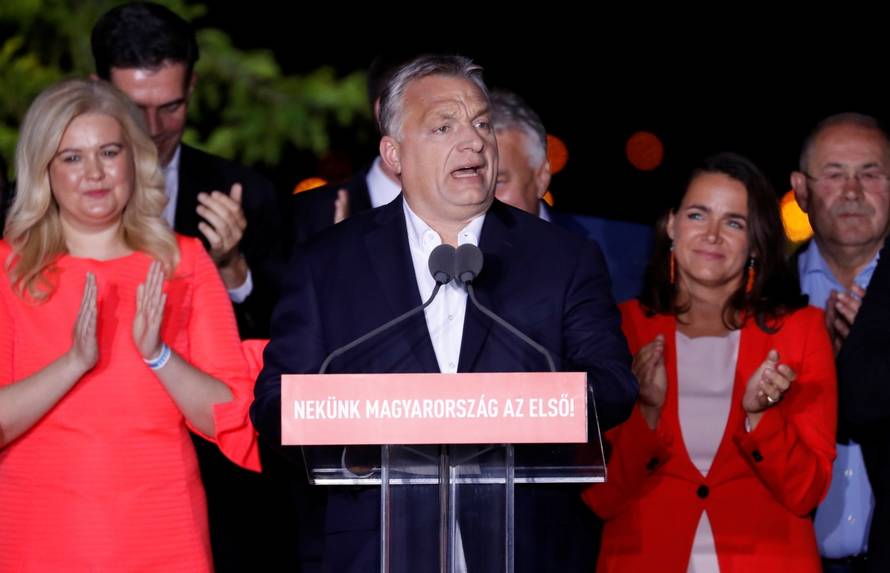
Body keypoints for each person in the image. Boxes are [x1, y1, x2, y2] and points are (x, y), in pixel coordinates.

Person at [252, 54, 638, 572]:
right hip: (375, 549)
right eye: (444, 126)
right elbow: (276, 404)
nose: (474, 141)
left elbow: (613, 385)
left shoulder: (562, 257)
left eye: (481, 123)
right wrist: (365, 432)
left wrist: (515, 409)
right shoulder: (328, 263)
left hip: (523, 544)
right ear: (394, 154)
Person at [0, 78, 258, 572]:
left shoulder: (183, 262)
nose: (94, 173)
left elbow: (231, 417)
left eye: (109, 152)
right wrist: (73, 363)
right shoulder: (9, 270)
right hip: (38, 534)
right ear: (44, 170)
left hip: (162, 531)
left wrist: (159, 356)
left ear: (134, 160)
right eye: (71, 157)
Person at [583, 152, 837, 572]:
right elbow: (601, 499)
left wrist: (761, 418)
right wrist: (647, 411)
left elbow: (807, 494)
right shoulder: (621, 328)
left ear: (756, 242)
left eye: (734, 222)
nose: (712, 235)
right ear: (671, 224)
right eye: (698, 215)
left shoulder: (801, 330)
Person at [91, 1, 282, 339]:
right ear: (97, 91)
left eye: (171, 107)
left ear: (191, 86)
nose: (153, 128)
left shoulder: (247, 194)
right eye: (134, 108)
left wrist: (231, 267)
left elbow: (278, 334)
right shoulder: (48, 196)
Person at [791, 113, 890, 572]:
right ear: (801, 190)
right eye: (834, 174)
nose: (852, 191)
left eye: (871, 173)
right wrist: (820, 369)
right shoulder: (762, 293)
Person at [490, 88, 651, 302]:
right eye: (466, 178)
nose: (479, 197)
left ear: (541, 177)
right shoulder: (446, 258)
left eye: (497, 182)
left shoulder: (626, 253)